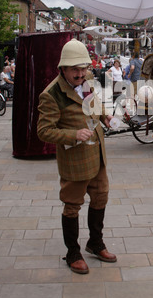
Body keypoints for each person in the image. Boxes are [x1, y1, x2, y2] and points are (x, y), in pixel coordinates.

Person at [37, 39, 117, 275]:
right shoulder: (51, 95)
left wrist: (104, 116)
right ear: (62, 68)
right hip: (75, 160)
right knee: (72, 206)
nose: (81, 73)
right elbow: (43, 131)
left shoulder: (88, 79)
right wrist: (73, 134)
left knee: (101, 197)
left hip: (97, 153)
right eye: (75, 69)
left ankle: (95, 243)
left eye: (83, 68)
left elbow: (95, 103)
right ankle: (73, 252)